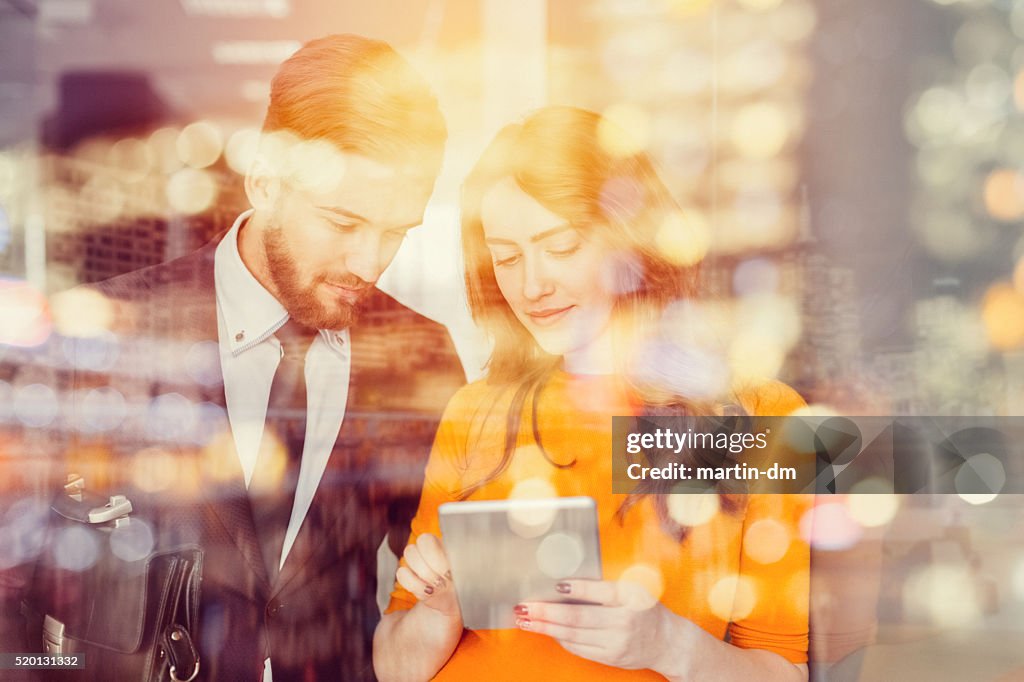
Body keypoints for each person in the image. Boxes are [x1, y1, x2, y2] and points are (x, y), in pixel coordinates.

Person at [0, 34, 464, 681]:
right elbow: (16, 599)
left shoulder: (420, 353)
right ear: (264, 183)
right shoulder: (108, 335)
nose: (369, 261)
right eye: (343, 222)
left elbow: (448, 582)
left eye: (396, 232)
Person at [373, 106, 811, 681]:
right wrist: (442, 604)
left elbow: (785, 671)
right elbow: (393, 667)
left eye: (561, 248)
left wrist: (667, 645)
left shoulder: (767, 418)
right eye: (506, 258)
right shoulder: (476, 411)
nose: (531, 286)